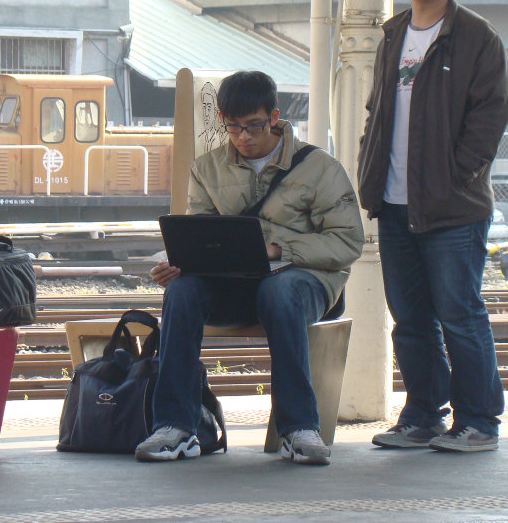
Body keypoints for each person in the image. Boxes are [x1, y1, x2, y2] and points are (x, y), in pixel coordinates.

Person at [135, 70, 365, 465]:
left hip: (304, 282)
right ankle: (175, 426)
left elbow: (347, 242)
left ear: (274, 117)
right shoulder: (206, 169)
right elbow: (201, 236)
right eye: (233, 127)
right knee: (182, 293)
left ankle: (298, 429)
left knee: (278, 292)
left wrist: (279, 250)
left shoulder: (320, 168)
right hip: (234, 282)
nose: (244, 137)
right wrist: (181, 266)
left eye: (254, 126)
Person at [357, 0, 508, 453]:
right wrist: (368, 170)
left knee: (460, 314)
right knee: (411, 320)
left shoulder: (475, 37)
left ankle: (479, 422)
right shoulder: (392, 33)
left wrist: (457, 174)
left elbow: (492, 115)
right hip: (395, 202)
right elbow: (377, 111)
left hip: (452, 208)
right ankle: (422, 415)